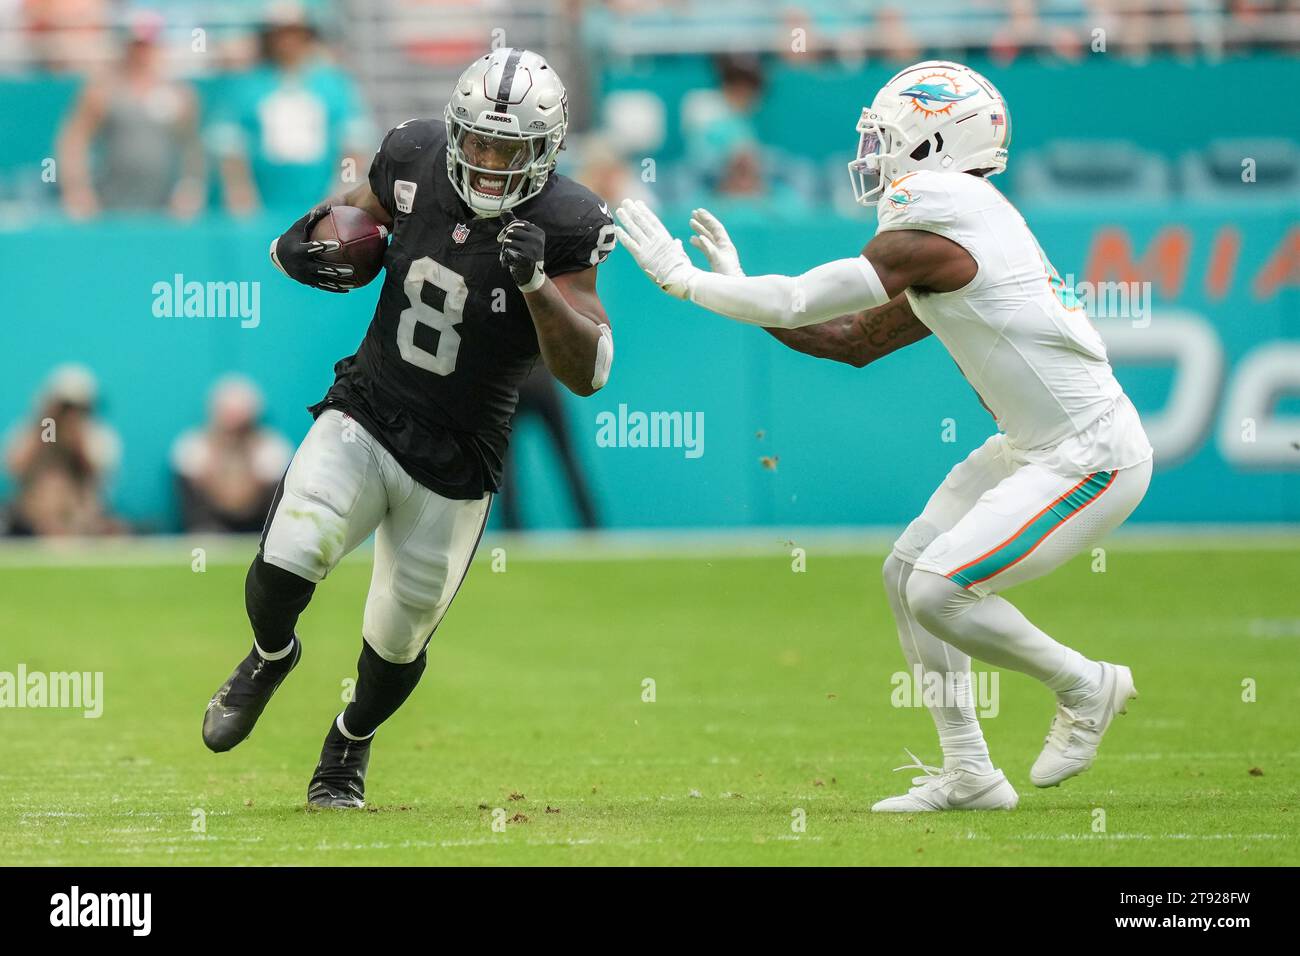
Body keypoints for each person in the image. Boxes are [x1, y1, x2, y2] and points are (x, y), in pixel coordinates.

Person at [615, 60, 1154, 813]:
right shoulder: (960, 228)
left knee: (940, 587)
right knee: (907, 575)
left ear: (936, 142)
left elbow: (806, 296)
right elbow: (850, 340)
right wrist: (740, 287)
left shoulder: (940, 217)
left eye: (888, 136)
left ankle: (1085, 685)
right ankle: (970, 772)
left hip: (1087, 457)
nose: (873, 153)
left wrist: (689, 282)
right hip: (1033, 448)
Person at [201, 48, 617, 809]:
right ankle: (271, 654)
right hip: (370, 405)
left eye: (510, 150)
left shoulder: (567, 221)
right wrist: (311, 238)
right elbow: (353, 214)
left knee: (396, 643)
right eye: (480, 143)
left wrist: (536, 287)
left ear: (548, 152)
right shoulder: (416, 154)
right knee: (289, 552)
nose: (490, 164)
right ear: (456, 131)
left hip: (460, 455)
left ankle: (348, 744)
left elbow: (588, 372)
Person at [211, 3, 372, 215]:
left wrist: (342, 188)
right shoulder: (248, 85)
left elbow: (355, 140)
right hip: (263, 204)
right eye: (280, 33)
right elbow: (229, 144)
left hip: (319, 198)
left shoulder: (333, 84)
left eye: (294, 32)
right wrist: (240, 191)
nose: (287, 40)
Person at [56, 10, 205, 219]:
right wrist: (77, 190)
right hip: (110, 204)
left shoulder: (181, 95)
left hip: (163, 209)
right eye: (137, 44)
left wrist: (190, 188)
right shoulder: (102, 90)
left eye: (148, 44)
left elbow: (192, 146)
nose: (142, 52)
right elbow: (74, 140)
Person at [3, 365, 124, 536]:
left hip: (84, 514)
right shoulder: (38, 431)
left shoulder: (98, 435)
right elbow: (16, 469)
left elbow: (97, 476)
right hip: (32, 518)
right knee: (51, 484)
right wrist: (47, 426)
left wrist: (76, 437)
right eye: (65, 408)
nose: (70, 414)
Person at [171, 376, 292, 533]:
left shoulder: (273, 449)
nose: (233, 433)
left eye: (240, 426)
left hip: (259, 526)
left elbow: (244, 500)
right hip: (209, 527)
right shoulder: (192, 447)